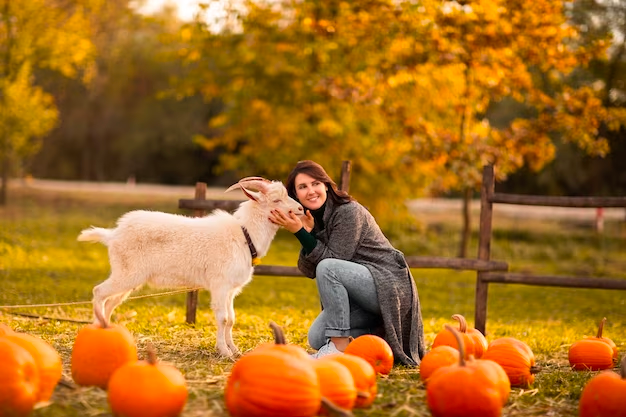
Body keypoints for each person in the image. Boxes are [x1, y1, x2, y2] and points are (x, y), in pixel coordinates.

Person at [268, 160, 425, 366]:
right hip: (363, 298)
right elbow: (308, 270)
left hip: (389, 285)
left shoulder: (348, 211)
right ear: (295, 195)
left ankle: (338, 347)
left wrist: (301, 232)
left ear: (326, 185)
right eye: (302, 187)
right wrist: (306, 233)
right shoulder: (315, 218)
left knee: (328, 267)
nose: (311, 191)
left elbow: (333, 261)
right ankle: (379, 337)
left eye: (316, 183)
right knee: (316, 337)